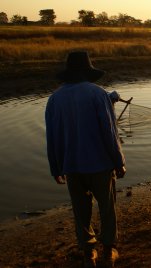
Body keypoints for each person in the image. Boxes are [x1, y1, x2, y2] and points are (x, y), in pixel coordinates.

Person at [45, 51, 126, 267]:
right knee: (107, 208)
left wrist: (55, 167)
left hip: (71, 166)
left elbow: (51, 136)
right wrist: (119, 162)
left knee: (81, 211)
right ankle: (108, 251)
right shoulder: (98, 94)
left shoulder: (55, 99)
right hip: (100, 164)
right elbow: (110, 132)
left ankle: (89, 253)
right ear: (87, 71)